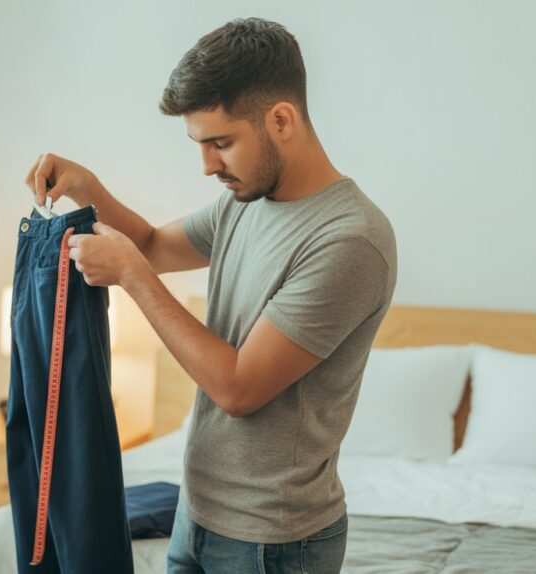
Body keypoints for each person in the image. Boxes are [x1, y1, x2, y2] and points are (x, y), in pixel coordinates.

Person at [23, 18, 397, 574]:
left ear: (281, 119)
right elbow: (150, 244)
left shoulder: (350, 241)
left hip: (273, 542)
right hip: (197, 512)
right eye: (201, 145)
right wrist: (87, 186)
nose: (207, 166)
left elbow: (238, 386)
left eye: (221, 143)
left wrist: (132, 277)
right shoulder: (245, 202)